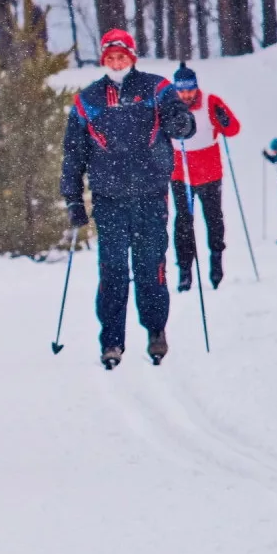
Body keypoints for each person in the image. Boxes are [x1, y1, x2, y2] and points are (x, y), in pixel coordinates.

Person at [60, 29, 196, 369]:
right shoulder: (87, 100)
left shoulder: (157, 88)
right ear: (103, 60)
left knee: (151, 266)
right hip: (109, 198)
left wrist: (180, 121)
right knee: (113, 270)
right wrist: (74, 200)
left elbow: (184, 125)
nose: (116, 63)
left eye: (122, 57)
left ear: (132, 58)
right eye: (110, 58)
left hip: (151, 194)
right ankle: (112, 342)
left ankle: (156, 332)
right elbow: (73, 155)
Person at [166, 63, 241, 290]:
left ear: (196, 87)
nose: (186, 95)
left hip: (209, 173)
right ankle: (185, 271)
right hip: (181, 174)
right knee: (184, 223)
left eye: (190, 90)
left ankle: (216, 261)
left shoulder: (210, 101)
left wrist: (224, 119)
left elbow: (233, 129)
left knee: (214, 219)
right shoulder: (169, 105)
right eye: (182, 90)